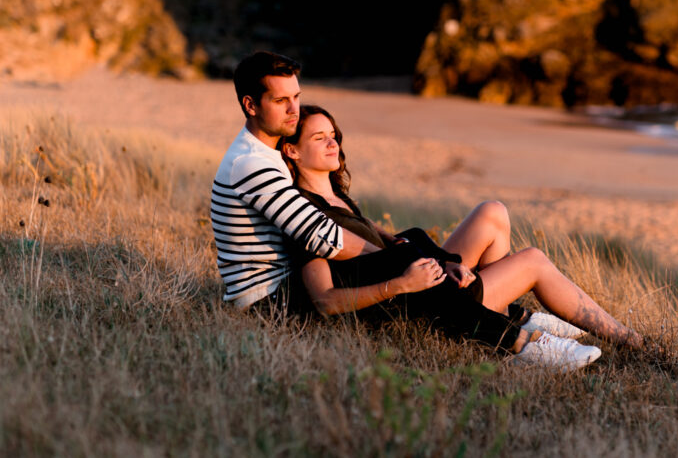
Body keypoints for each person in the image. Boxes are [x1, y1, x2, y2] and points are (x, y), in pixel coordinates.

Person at [211, 51, 601, 369]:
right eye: (281, 101)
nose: (293, 109)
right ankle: (518, 339)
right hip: (269, 301)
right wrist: (401, 262)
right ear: (250, 104)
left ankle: (513, 319)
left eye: (295, 97)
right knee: (404, 257)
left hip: (282, 285)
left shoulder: (266, 155)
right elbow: (319, 236)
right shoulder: (252, 164)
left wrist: (407, 250)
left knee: (409, 241)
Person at [279, 104, 643, 352]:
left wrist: (439, 258)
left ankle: (498, 310)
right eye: (318, 138)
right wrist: (402, 280)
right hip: (413, 300)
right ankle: (627, 339)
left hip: (424, 277)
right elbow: (324, 298)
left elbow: (381, 242)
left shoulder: (338, 196)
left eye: (333, 134)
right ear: (292, 152)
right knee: (533, 260)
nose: (333, 143)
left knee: (492, 212)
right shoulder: (305, 216)